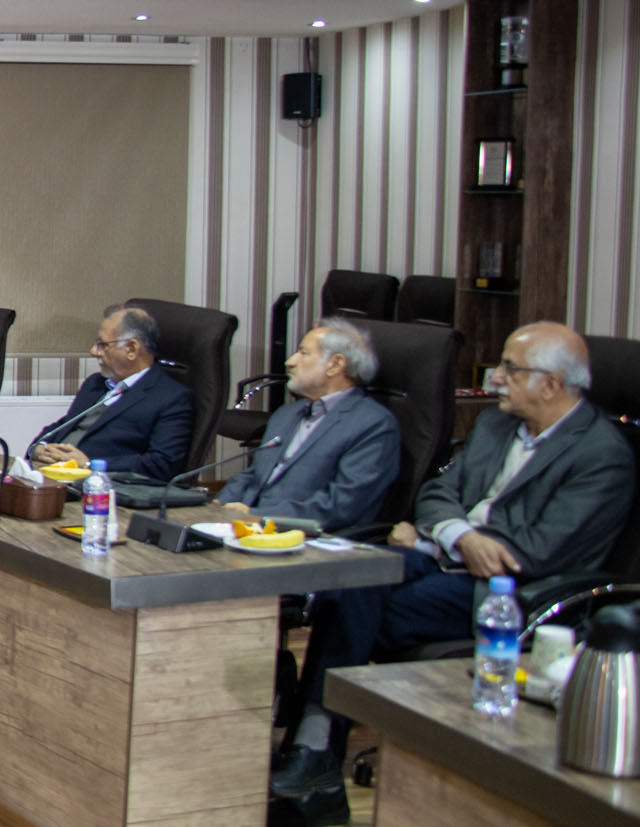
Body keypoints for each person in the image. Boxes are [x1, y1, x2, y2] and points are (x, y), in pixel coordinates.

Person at [267, 322, 635, 827]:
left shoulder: (601, 455)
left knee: (363, 611)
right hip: (447, 556)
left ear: (551, 384)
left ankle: (315, 755)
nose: (495, 378)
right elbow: (436, 494)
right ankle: (314, 758)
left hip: (507, 591)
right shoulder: (496, 426)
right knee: (351, 578)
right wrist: (460, 535)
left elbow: (540, 551)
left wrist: (453, 535)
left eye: (510, 368)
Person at [213, 319, 399, 532]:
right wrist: (218, 507)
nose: (290, 362)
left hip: (304, 537)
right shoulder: (286, 414)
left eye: (303, 353)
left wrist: (258, 515)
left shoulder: (373, 424)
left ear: (335, 364)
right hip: (245, 527)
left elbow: (342, 505)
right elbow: (253, 474)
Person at [28, 304, 193, 481]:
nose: (93, 351)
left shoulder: (172, 398)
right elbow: (65, 424)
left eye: (102, 345)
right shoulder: (95, 383)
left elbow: (162, 464)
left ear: (131, 349)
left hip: (99, 487)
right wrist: (38, 448)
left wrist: (90, 464)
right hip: (49, 476)